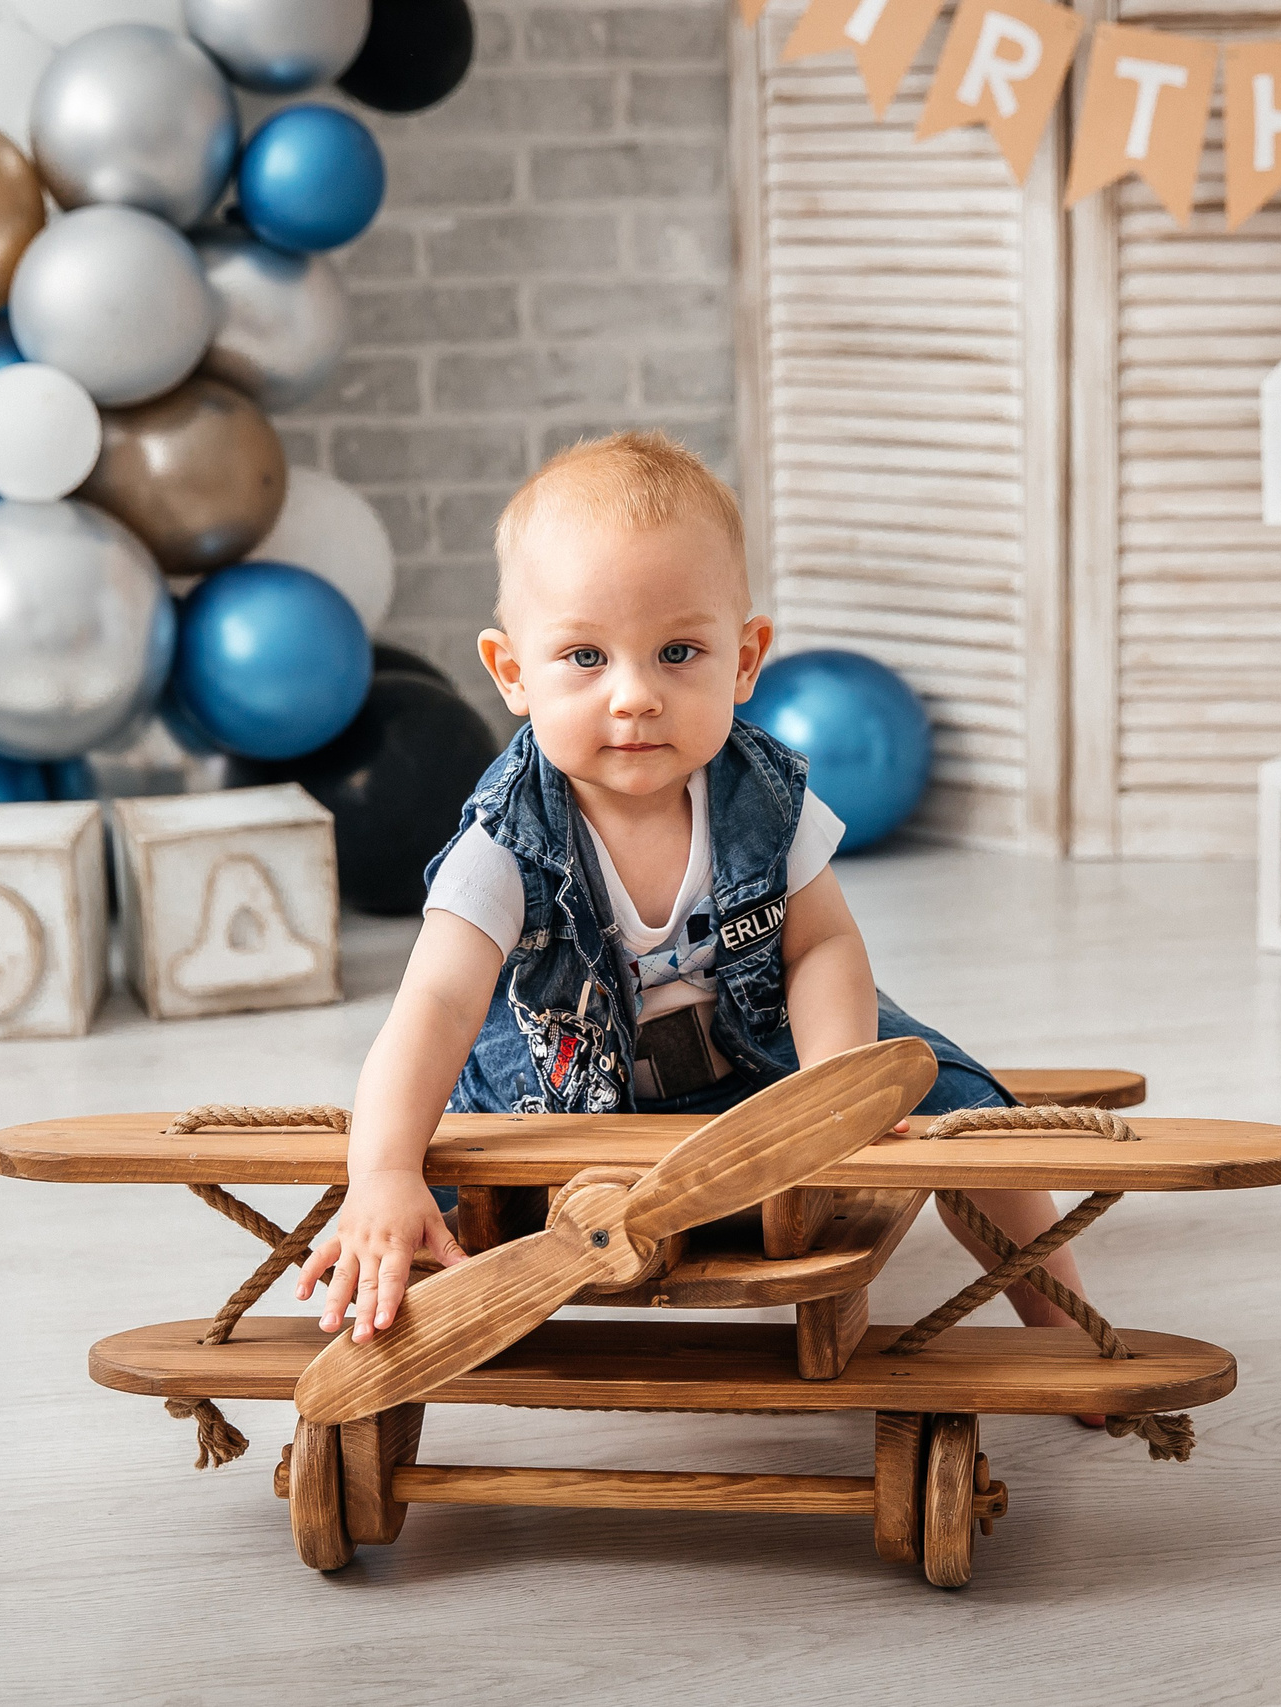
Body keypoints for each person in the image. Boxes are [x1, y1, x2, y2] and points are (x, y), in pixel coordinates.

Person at [298, 429, 1098, 1390]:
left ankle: (1059, 1312)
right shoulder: (504, 843)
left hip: (753, 1063)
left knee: (957, 1095)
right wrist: (382, 1172)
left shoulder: (761, 797)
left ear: (747, 657)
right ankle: (383, 1312)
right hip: (553, 1107)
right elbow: (431, 1007)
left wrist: (836, 1082)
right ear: (512, 673)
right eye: (585, 657)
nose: (635, 697)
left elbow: (824, 945)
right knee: (420, 1171)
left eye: (678, 652)